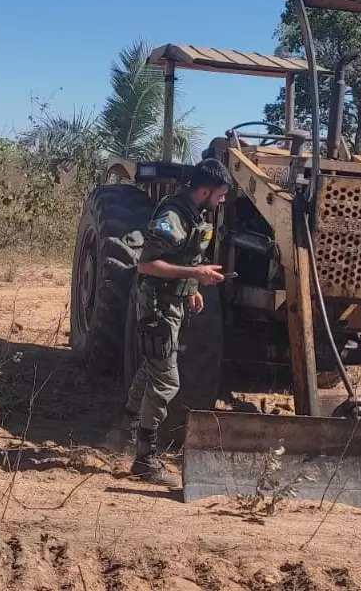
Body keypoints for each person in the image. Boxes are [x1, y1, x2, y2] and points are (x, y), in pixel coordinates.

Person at [110, 158, 232, 486]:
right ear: (204, 190)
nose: (221, 201)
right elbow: (147, 266)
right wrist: (195, 275)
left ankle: (124, 433)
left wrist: (191, 287)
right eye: (219, 194)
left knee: (151, 369)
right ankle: (145, 461)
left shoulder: (194, 216)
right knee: (166, 382)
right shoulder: (172, 218)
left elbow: (185, 256)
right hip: (156, 307)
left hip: (172, 305)